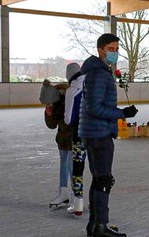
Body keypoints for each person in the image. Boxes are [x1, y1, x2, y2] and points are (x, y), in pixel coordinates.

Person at [79, 33, 138, 237]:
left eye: (116, 49)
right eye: (111, 49)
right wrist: (122, 114)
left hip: (95, 132)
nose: (114, 53)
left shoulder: (98, 72)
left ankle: (95, 225)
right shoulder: (98, 74)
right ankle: (101, 226)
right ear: (100, 50)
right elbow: (94, 107)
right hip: (98, 134)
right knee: (104, 180)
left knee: (99, 179)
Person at [44, 82, 73, 209]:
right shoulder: (56, 105)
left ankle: (76, 195)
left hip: (75, 140)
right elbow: (52, 125)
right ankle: (63, 191)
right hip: (62, 140)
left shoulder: (72, 104)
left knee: (73, 167)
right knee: (64, 163)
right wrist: (49, 114)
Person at [64, 63, 86, 216]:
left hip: (79, 134)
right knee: (97, 168)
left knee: (78, 168)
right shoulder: (93, 84)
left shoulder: (72, 90)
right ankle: (97, 201)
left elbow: (68, 118)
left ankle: (78, 203)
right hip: (96, 133)